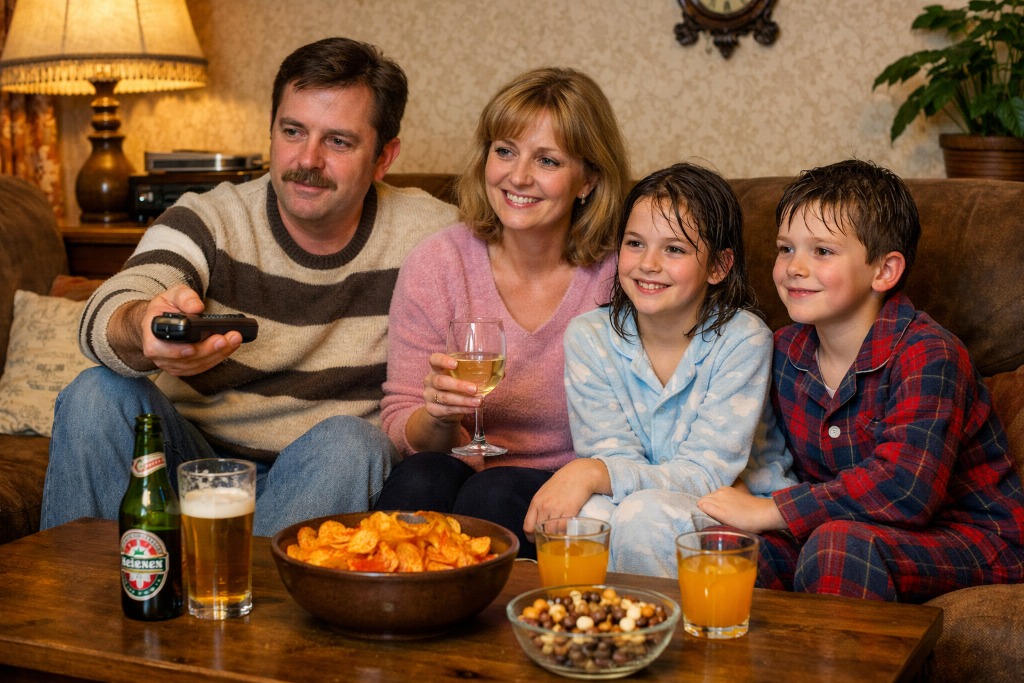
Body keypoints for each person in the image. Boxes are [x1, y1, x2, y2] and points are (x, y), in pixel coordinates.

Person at [40, 37, 458, 537]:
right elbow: (111, 307)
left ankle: (255, 608)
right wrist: (143, 324)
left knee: (354, 442)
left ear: (384, 157)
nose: (308, 159)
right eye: (293, 131)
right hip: (190, 467)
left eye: (339, 141)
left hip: (324, 474)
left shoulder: (433, 235)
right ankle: (80, 609)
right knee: (95, 393)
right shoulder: (211, 217)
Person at [698, 159, 1024, 602]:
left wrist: (772, 508)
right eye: (785, 248)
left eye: (822, 251)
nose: (794, 267)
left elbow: (904, 489)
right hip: (841, 528)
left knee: (840, 545)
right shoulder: (783, 352)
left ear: (884, 271)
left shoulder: (929, 354)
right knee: (729, 547)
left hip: (971, 536)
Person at [373, 66, 632, 557]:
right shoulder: (438, 262)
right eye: (505, 151)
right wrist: (438, 414)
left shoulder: (618, 276)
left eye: (548, 160)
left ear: (589, 180)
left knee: (491, 494)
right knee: (420, 477)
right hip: (456, 464)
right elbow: (403, 425)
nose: (518, 176)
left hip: (568, 482)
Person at [524, 162, 794, 577]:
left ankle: (663, 637)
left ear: (719, 266)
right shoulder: (589, 337)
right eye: (635, 243)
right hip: (642, 502)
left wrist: (592, 471)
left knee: (642, 516)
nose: (648, 263)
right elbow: (611, 455)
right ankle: (593, 637)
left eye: (674, 249)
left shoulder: (744, 339)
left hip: (736, 511)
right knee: (585, 520)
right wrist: (597, 472)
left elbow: (707, 476)